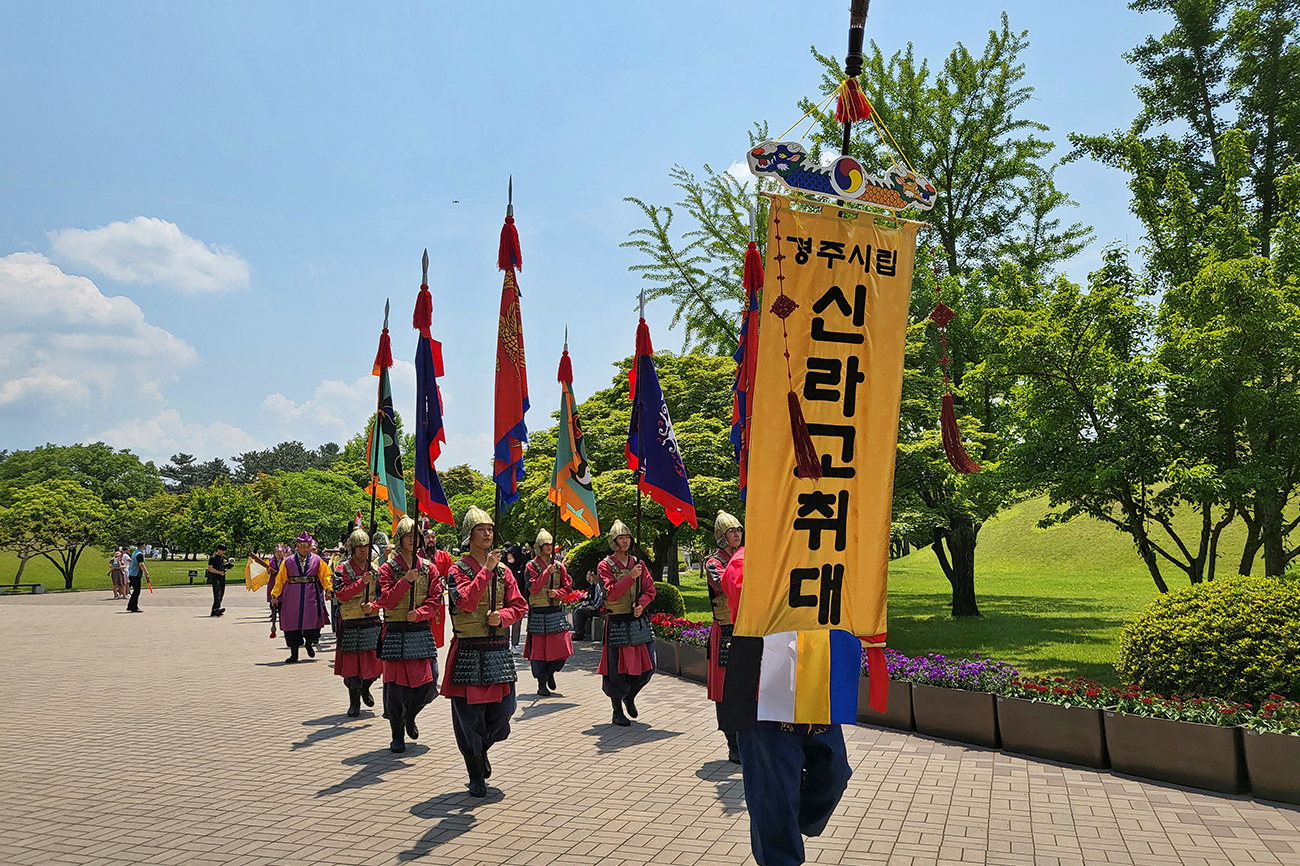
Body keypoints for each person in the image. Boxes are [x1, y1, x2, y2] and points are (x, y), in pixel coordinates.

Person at [721, 548, 853, 866]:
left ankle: (789, 824)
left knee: (834, 772)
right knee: (774, 796)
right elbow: (747, 603)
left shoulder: (819, 556)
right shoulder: (743, 562)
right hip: (764, 696)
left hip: (813, 686)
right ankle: (780, 846)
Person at [441, 505, 527, 797]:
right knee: (469, 719)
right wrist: (486, 571)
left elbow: (519, 605)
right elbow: (464, 602)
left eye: (490, 528)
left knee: (504, 712)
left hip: (497, 651)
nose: (488, 533)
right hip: (468, 650)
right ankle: (475, 770)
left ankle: (482, 750)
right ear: (469, 535)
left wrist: (502, 617)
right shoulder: (456, 570)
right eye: (481, 529)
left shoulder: (504, 571)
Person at [373, 517, 444, 750]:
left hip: (420, 632)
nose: (412, 541)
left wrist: (422, 612)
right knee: (396, 689)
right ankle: (396, 735)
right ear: (399, 539)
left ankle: (410, 715)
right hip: (395, 632)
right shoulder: (387, 568)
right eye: (408, 537)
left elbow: (435, 598)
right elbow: (385, 600)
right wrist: (404, 581)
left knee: (428, 684)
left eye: (416, 537)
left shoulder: (429, 567)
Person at [597, 520, 656, 727]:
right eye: (621, 538)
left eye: (627, 537)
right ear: (613, 541)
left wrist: (641, 604)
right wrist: (630, 577)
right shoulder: (605, 565)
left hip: (637, 620)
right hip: (617, 621)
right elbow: (611, 593)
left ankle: (630, 696)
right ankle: (617, 710)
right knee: (616, 669)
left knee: (648, 665)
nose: (625, 541)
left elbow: (650, 590)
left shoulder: (638, 563)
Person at [333, 529, 384, 718]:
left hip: (371, 622)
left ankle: (366, 687)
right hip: (350, 623)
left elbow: (383, 596)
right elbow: (341, 595)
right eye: (360, 547)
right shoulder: (341, 570)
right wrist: (361, 583)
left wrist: (374, 605)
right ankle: (354, 702)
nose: (364, 550)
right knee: (351, 667)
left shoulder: (377, 571)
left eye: (367, 547)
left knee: (375, 664)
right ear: (353, 549)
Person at [705, 512, 744, 764]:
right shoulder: (713, 563)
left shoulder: (748, 557)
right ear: (722, 536)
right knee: (727, 689)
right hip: (726, 630)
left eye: (739, 530)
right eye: (732, 531)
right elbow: (727, 586)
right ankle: (732, 741)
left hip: (749, 628)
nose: (737, 535)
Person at [522, 529, 573, 696]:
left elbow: (567, 588)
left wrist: (557, 594)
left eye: (551, 544)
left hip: (555, 611)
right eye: (545, 545)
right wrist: (546, 573)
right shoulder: (531, 566)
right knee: (538, 651)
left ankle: (552, 671)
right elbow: (533, 589)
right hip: (538, 611)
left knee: (562, 647)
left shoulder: (559, 567)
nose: (549, 547)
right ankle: (541, 682)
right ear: (539, 546)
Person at [270, 531, 333, 663]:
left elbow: (325, 575)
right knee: (292, 625)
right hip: (292, 595)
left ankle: (309, 643)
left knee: (313, 624)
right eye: (302, 545)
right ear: (297, 546)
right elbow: (280, 579)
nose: (305, 548)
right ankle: (294, 653)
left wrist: (328, 589)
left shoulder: (317, 560)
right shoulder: (288, 561)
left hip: (311, 595)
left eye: (307, 546)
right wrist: (275, 594)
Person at [571, 571, 604, 642]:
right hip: (592, 606)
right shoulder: (594, 585)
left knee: (579, 612)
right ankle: (578, 632)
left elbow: (601, 597)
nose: (589, 576)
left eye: (591, 575)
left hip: (597, 609)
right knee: (578, 609)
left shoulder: (599, 585)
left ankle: (579, 633)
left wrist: (595, 607)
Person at [206, 544, 230, 617]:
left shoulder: (224, 557)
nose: (223, 552)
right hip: (215, 577)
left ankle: (214, 610)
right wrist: (219, 572)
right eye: (222, 551)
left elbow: (225, 565)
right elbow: (210, 568)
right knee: (217, 593)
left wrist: (226, 568)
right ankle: (217, 609)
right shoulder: (213, 557)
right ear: (219, 550)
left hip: (222, 577)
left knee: (222, 593)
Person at [125, 543, 148, 612]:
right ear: (143, 546)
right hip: (136, 574)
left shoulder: (135, 552)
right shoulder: (139, 554)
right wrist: (146, 573)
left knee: (135, 590)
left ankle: (130, 606)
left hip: (131, 573)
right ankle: (134, 607)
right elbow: (141, 564)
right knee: (137, 591)